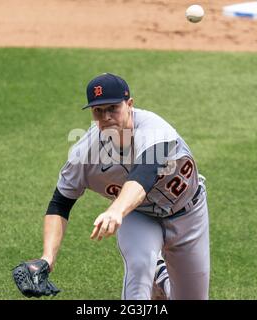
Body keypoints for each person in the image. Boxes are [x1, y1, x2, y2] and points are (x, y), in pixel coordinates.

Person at [40, 73, 210, 300]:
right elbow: (60, 203)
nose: (106, 116)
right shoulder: (84, 153)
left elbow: (144, 175)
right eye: (98, 111)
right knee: (139, 267)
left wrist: (115, 210)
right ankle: (152, 277)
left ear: (129, 105)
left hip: (189, 214)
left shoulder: (155, 129)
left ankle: (161, 281)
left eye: (112, 108)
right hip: (139, 216)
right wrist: (47, 259)